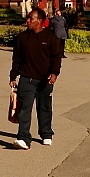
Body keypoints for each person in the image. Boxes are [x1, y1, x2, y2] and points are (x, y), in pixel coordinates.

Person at [9, 8, 63, 149]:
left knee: (44, 107)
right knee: (24, 109)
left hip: (45, 80)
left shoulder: (51, 38)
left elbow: (56, 58)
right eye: (27, 18)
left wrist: (54, 73)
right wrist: (13, 76)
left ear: (40, 21)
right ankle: (23, 138)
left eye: (30, 18)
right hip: (27, 79)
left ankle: (46, 134)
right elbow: (16, 59)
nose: (27, 21)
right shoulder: (22, 37)